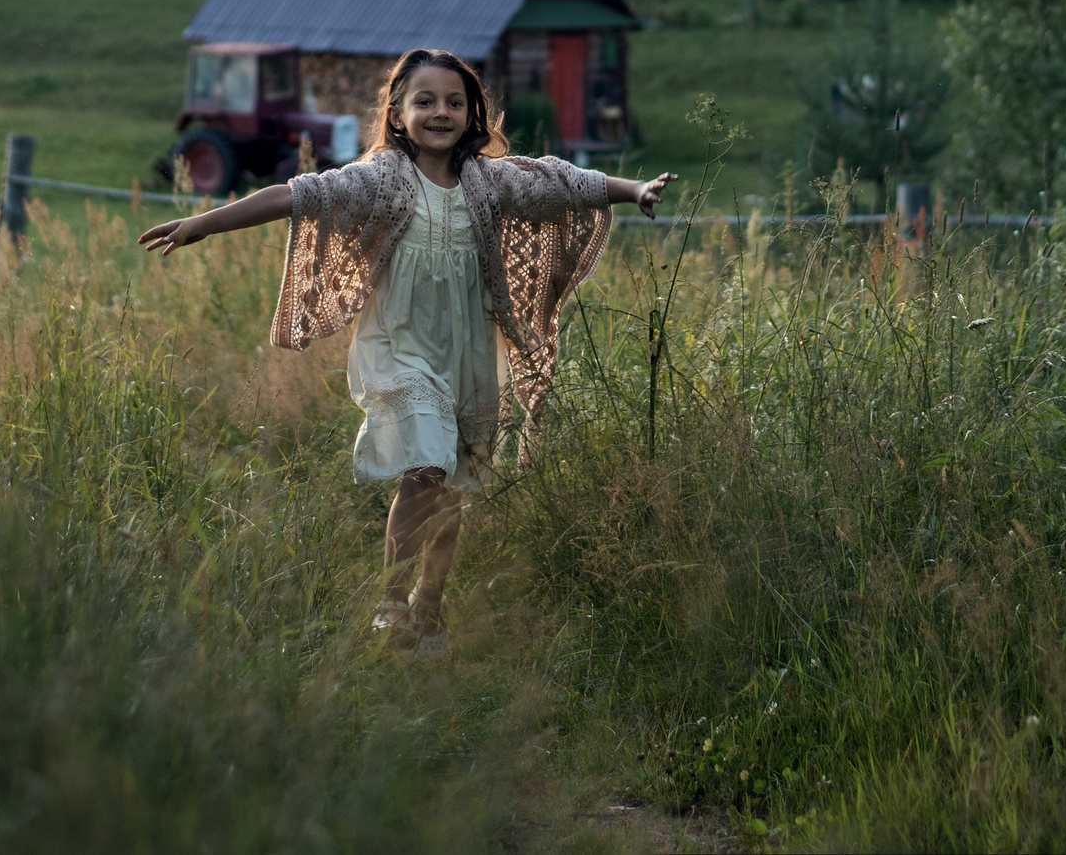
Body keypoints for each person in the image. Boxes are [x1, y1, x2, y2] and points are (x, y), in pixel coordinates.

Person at [138, 47, 674, 657]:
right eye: (424, 101)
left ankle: (432, 606)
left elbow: (562, 184)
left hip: (469, 350)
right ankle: (392, 602)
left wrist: (632, 188)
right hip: (400, 346)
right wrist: (204, 222)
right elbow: (297, 196)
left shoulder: (490, 183)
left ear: (473, 114)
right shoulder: (381, 179)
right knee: (425, 468)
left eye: (454, 101)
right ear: (397, 111)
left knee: (452, 484)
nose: (439, 112)